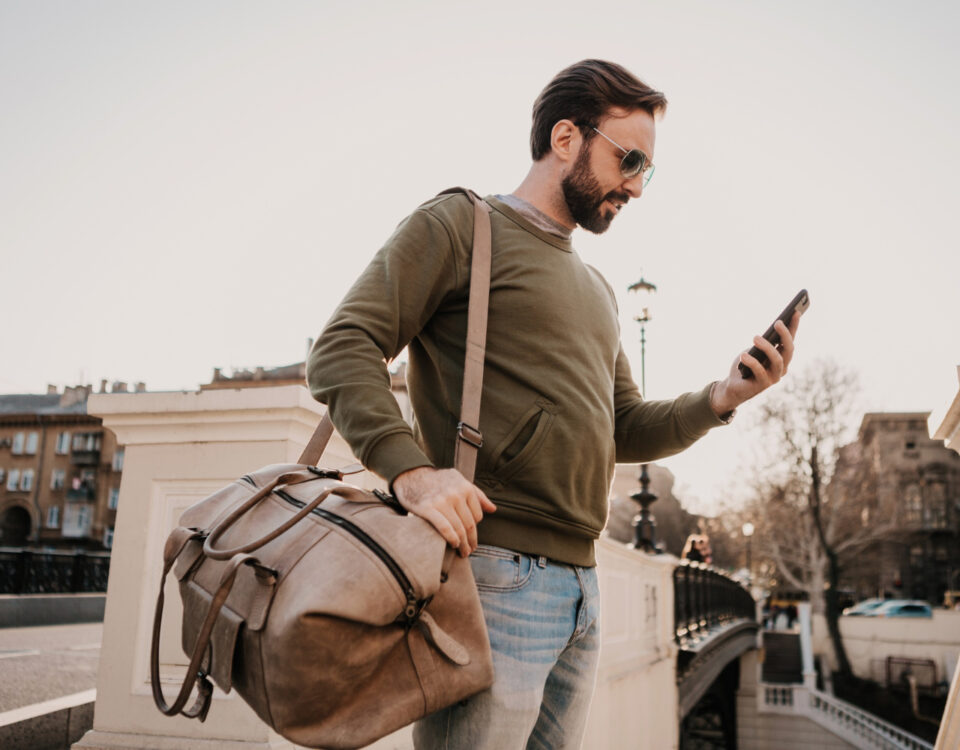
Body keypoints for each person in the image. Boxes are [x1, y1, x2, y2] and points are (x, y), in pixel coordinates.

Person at [307, 59, 800, 750]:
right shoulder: (460, 224)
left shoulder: (598, 290)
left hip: (583, 588)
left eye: (647, 171)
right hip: (491, 576)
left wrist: (721, 398)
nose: (636, 185)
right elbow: (341, 347)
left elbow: (622, 425)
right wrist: (412, 473)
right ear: (566, 138)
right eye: (629, 160)